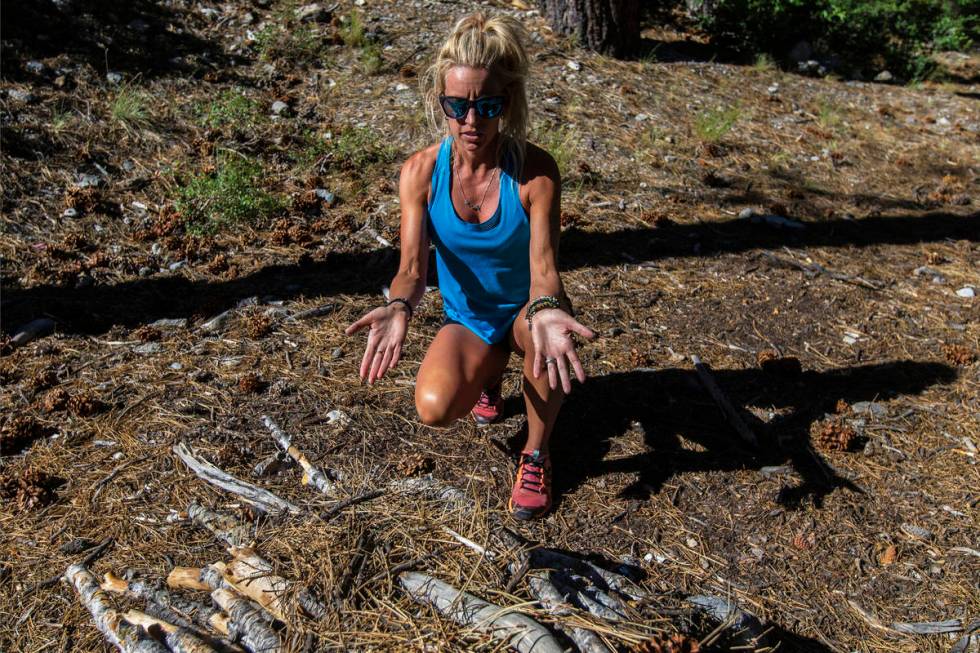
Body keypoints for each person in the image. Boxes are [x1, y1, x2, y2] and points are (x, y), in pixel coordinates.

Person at [345, 12, 594, 520]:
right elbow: (412, 270)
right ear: (442, 103)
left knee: (541, 339)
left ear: (509, 103)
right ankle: (490, 369)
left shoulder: (535, 172)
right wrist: (398, 306)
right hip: (470, 320)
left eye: (487, 105)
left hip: (529, 309)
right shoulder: (420, 173)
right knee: (434, 408)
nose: (471, 121)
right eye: (457, 106)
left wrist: (547, 308)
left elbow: (545, 269)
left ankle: (536, 452)